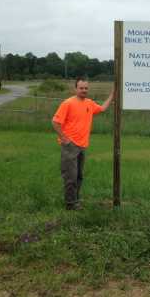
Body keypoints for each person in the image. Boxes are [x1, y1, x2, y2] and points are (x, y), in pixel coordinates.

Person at [52, 78, 114, 210]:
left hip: (82, 146)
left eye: (86, 88)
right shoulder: (68, 103)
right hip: (70, 145)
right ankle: (70, 204)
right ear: (75, 89)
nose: (84, 90)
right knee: (70, 176)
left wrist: (112, 95)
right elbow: (55, 122)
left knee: (79, 176)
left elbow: (102, 108)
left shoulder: (89, 103)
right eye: (81, 88)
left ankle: (75, 200)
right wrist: (64, 139)